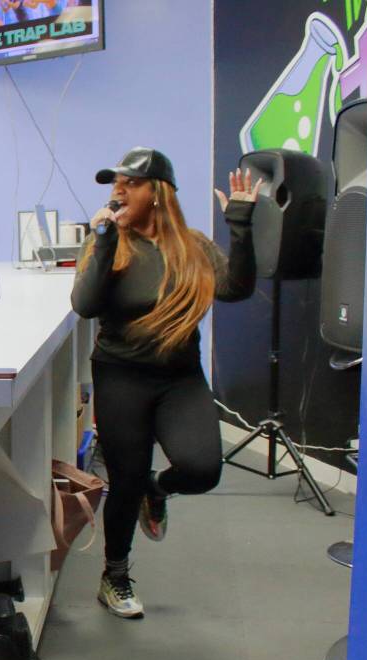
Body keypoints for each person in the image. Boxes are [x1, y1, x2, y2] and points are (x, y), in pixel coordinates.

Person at [71, 147, 260, 618]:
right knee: (125, 482)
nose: (118, 191)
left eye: (129, 183)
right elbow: (85, 304)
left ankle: (159, 489)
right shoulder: (110, 243)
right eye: (115, 183)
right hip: (120, 377)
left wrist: (241, 225)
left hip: (179, 378)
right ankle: (115, 577)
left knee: (202, 469)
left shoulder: (192, 246)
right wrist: (103, 241)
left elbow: (237, 287)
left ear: (157, 193)